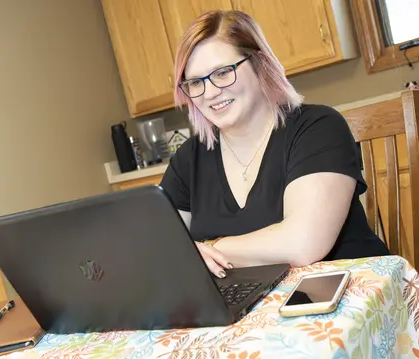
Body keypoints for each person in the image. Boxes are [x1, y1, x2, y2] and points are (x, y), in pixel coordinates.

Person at [159, 10, 390, 279]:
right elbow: (159, 248)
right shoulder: (190, 159)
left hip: (352, 298)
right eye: (196, 82)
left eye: (222, 73)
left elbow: (304, 244)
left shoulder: (318, 127)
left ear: (260, 63)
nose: (210, 92)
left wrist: (207, 249)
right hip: (257, 307)